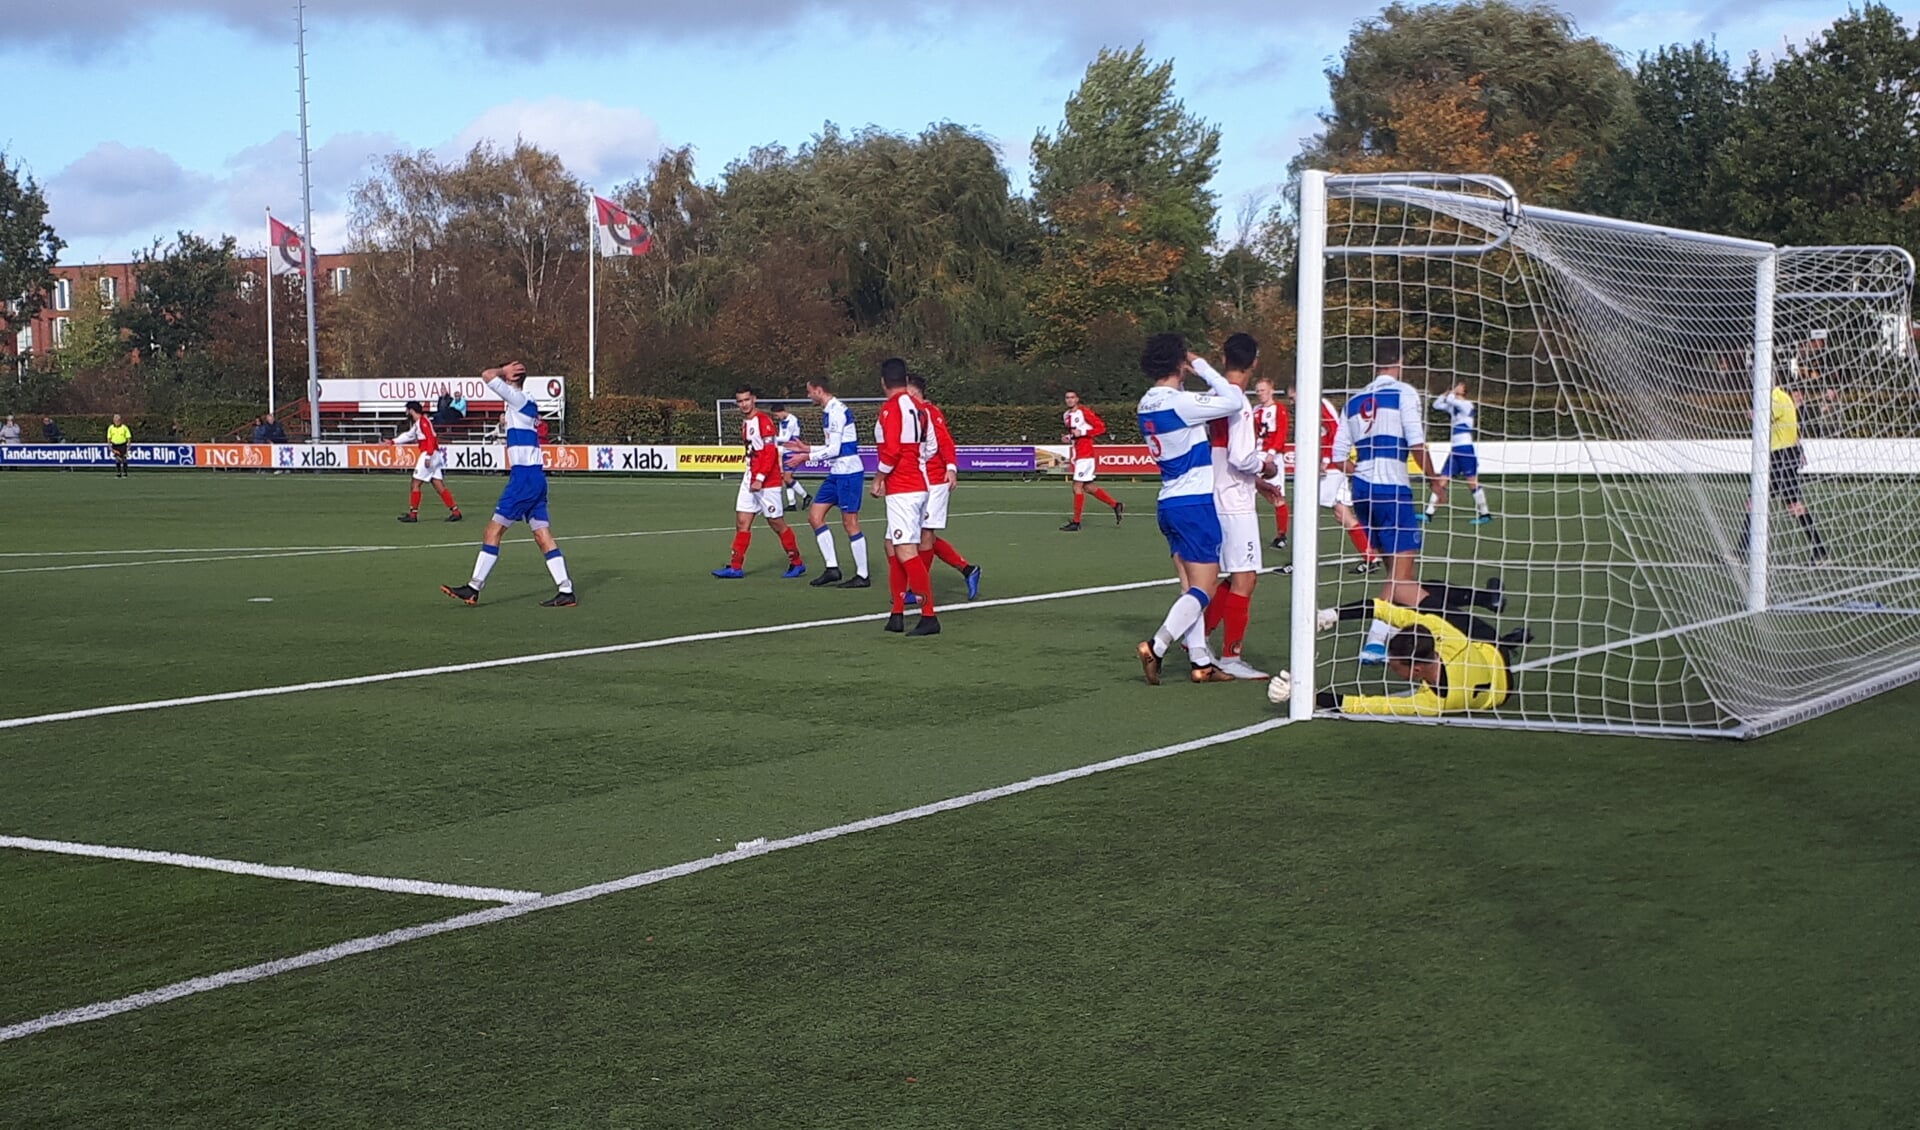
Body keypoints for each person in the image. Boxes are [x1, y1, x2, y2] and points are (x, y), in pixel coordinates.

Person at [1134, 333, 1244, 685]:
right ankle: (1158, 644)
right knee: (1205, 589)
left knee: (1189, 589)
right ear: (1178, 363)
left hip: (1168, 502)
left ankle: (1201, 662)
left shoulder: (1146, 403)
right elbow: (1233, 399)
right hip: (1194, 503)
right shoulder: (1179, 403)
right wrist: (1200, 364)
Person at [1330, 339, 1447, 666]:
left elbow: (1338, 456)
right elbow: (1416, 441)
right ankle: (1376, 642)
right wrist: (1434, 479)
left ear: (1374, 364)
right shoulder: (1404, 393)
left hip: (1363, 490)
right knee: (1401, 575)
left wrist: (1360, 472)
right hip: (1392, 489)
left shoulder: (1353, 401)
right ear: (1400, 363)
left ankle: (1409, 629)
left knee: (1396, 572)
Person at [440, 361, 576, 607]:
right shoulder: (526, 402)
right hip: (535, 477)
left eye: (507, 376)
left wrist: (502, 372)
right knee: (542, 535)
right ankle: (566, 590)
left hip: (523, 479)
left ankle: (473, 588)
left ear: (513, 379)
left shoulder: (518, 399)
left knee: (493, 532)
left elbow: (486, 374)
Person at [1303, 583, 1530, 716]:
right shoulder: (1446, 637)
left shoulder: (1435, 702)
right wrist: (1333, 614)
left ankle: (1490, 607)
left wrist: (1309, 697)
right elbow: (1385, 609)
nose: (1390, 668)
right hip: (1491, 650)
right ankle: (1489, 603)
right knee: (1406, 589)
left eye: (1394, 665)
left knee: (1404, 589)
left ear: (1418, 670)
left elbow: (1373, 705)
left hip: (1497, 682)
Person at [1202, 334, 1274, 679]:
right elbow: (1242, 456)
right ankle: (1230, 657)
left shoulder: (1213, 396)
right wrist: (1266, 467)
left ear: (1223, 357)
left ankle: (1196, 640)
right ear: (1254, 362)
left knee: (1230, 575)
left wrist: (1256, 481)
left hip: (1214, 492)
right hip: (1233, 500)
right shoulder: (1239, 403)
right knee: (1245, 579)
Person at [872, 357, 940, 636]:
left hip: (904, 487)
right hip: (918, 484)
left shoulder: (892, 408)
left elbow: (892, 451)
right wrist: (918, 463)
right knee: (891, 545)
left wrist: (879, 478)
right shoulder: (919, 407)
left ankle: (928, 616)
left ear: (883, 381)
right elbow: (931, 445)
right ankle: (897, 613)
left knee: (905, 550)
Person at [784, 375, 871, 588]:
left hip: (849, 472)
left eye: (809, 391)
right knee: (815, 516)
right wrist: (808, 448)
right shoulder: (829, 411)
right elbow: (833, 446)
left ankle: (863, 575)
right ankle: (832, 569)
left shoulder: (836, 412)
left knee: (850, 524)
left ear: (818, 390)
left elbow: (835, 450)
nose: (808, 395)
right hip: (837, 472)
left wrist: (805, 457)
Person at [712, 386, 806, 580]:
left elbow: (770, 453)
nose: (744, 404)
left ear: (753, 399)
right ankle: (736, 567)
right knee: (742, 522)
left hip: (767, 482)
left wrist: (760, 478)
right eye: (740, 401)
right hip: (750, 478)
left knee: (776, 523)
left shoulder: (764, 420)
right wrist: (752, 476)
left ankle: (797, 563)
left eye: (746, 400)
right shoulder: (746, 422)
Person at [905, 372, 982, 602]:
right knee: (920, 534)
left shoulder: (929, 412)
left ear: (913, 392)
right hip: (919, 480)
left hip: (935, 480)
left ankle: (918, 590)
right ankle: (967, 569)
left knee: (925, 534)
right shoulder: (910, 414)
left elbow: (946, 441)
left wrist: (951, 468)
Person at [1740, 380, 1830, 566]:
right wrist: (1800, 450)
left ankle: (1741, 551)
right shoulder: (1786, 399)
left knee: (1758, 502)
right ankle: (1819, 550)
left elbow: (1763, 418)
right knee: (1786, 505)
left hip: (1779, 457)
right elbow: (1793, 430)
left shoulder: (1776, 398)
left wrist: (1750, 414)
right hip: (1785, 456)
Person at [1302, 384, 1380, 575]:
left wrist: (1326, 460)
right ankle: (1371, 557)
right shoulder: (1314, 406)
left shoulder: (1319, 405)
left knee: (1308, 508)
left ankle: (1302, 561)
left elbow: (1334, 432)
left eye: (1294, 398)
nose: (1294, 402)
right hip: (1333, 466)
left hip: (1331, 468)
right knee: (1342, 514)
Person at [1423, 380, 1493, 524]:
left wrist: (1450, 395)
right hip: (1455, 450)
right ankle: (1428, 513)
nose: (1456, 386)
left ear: (1464, 390)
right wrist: (1445, 393)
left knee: (1472, 482)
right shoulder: (1453, 406)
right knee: (1442, 480)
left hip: (1465, 448)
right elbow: (1436, 405)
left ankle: (1485, 514)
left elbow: (1451, 401)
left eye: (1459, 386)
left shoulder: (1467, 405)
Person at [389, 399, 462, 523]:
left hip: (429, 454)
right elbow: (409, 435)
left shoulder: (423, 422)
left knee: (415, 484)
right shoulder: (421, 422)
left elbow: (429, 438)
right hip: (435, 454)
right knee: (438, 485)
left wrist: (428, 456)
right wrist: (393, 441)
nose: (406, 413)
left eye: (407, 410)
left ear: (411, 410)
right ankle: (455, 511)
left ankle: (413, 514)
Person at [1060, 390, 1124, 531]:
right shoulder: (1066, 415)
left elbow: (1100, 427)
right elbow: (1076, 433)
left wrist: (1082, 433)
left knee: (1077, 487)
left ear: (1077, 399)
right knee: (1088, 487)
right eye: (1067, 398)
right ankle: (1115, 505)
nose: (1069, 400)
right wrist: (1069, 437)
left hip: (1086, 454)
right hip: (1078, 454)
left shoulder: (1084, 412)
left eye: (1072, 397)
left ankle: (1076, 523)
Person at [1252, 378, 1289, 550]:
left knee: (1277, 496)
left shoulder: (1279, 409)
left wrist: (1272, 452)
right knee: (1246, 491)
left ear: (1272, 390)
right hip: (1255, 455)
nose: (1260, 394)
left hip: (1272, 457)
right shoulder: (1255, 411)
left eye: (1263, 390)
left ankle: (1281, 535)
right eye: (1258, 391)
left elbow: (1282, 432)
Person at [771, 405, 810, 510]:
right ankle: (792, 503)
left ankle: (805, 496)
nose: (777, 417)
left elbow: (786, 437)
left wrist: (771, 438)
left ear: (781, 411)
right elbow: (781, 436)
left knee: (787, 478)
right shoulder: (782, 421)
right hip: (786, 450)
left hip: (793, 451)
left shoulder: (792, 420)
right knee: (786, 478)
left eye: (776, 415)